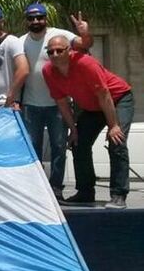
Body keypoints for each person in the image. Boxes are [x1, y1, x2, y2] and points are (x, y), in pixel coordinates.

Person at [42, 35, 134, 208]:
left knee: (117, 142)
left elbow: (104, 94)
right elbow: (62, 103)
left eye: (59, 51)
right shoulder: (48, 71)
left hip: (117, 99)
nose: (54, 55)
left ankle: (118, 194)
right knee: (78, 143)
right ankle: (85, 192)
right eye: (50, 52)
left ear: (69, 51)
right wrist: (73, 130)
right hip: (93, 108)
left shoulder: (85, 63)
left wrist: (113, 125)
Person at [20, 3, 92, 200]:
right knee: (31, 149)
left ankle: (56, 189)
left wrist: (85, 33)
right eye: (31, 18)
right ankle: (37, 189)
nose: (36, 21)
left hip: (57, 106)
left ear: (46, 19)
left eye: (39, 18)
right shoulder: (20, 42)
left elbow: (84, 45)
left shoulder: (60, 35)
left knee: (59, 147)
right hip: (30, 105)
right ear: (26, 21)